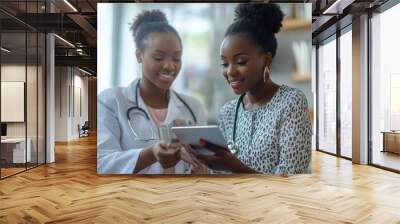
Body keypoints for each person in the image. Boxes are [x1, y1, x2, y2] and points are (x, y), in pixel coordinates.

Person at [195, 3, 312, 175]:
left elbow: (293, 181)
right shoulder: (228, 112)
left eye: (240, 61)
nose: (230, 71)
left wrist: (236, 167)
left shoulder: (291, 103)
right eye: (224, 63)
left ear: (266, 60)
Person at [97, 9, 207, 174]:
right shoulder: (110, 101)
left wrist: (203, 171)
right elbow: (101, 163)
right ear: (139, 55)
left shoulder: (193, 108)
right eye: (159, 58)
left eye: (176, 58)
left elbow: (203, 160)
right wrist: (151, 154)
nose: (170, 66)